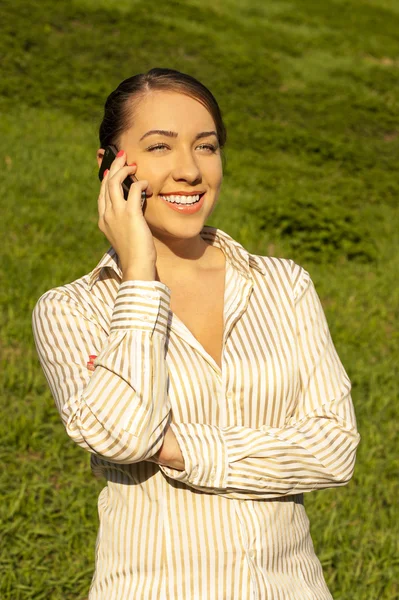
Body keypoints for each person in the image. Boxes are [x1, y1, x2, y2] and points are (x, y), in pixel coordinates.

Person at [32, 67, 360, 600]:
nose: (189, 169)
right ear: (111, 167)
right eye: (160, 147)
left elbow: (334, 448)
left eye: (206, 146)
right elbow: (125, 437)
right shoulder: (72, 309)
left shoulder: (284, 285)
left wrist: (180, 449)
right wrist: (139, 273)